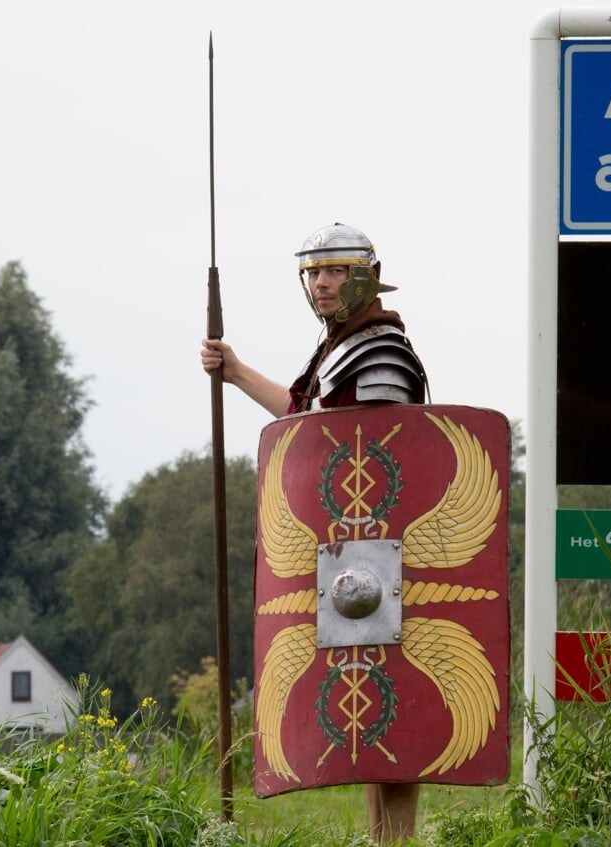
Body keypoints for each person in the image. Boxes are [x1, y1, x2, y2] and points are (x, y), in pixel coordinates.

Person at [200, 222, 427, 844]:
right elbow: (308, 422)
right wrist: (238, 371)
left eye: (332, 272)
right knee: (365, 707)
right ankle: (382, 841)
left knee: (390, 702)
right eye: (312, 272)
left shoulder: (380, 351)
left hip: (385, 556)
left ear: (363, 277)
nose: (320, 284)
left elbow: (376, 459)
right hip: (351, 561)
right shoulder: (338, 350)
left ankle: (398, 842)